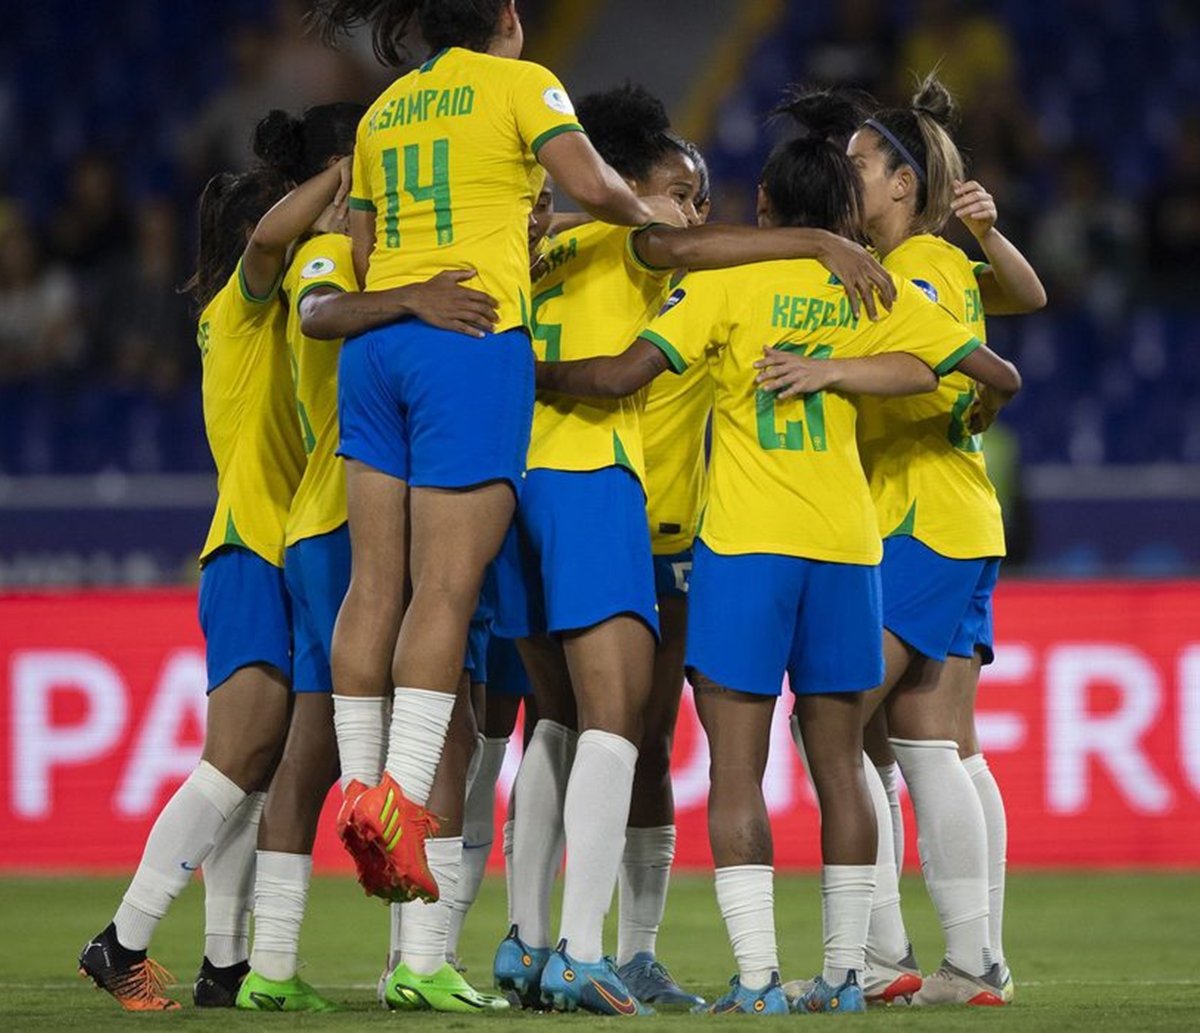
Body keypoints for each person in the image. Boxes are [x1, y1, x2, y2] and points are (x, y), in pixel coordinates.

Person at [532, 87, 1022, 1017]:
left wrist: (522, 365)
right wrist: (863, 374)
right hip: (846, 548)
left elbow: (625, 374)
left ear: (761, 212)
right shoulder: (867, 285)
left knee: (737, 768)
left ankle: (757, 980)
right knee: (848, 763)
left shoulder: (721, 282)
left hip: (744, 547)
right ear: (842, 212)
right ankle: (845, 977)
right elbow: (992, 370)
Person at [491, 82, 895, 1016]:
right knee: (619, 729)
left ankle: (560, 941)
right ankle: (602, 950)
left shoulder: (550, 251)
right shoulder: (665, 261)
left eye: (705, 195)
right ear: (630, 186)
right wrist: (818, 239)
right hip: (636, 514)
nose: (692, 210)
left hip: (567, 502)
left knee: (574, 727)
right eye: (680, 189)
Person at [306, 0, 675, 908]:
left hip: (379, 346)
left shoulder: (383, 109)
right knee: (445, 587)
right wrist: (643, 210)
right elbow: (597, 190)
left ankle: (361, 786)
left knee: (375, 581)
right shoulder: (523, 84)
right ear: (506, 17)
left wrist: (424, 281)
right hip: (467, 339)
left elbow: (361, 251)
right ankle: (398, 802)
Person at [77, 149, 341, 1010]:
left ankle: (226, 964)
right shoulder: (241, 298)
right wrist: (340, 173)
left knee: (256, 772)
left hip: (272, 547)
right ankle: (123, 938)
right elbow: (270, 241)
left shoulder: (256, 316)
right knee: (234, 762)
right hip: (251, 548)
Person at [822, 74, 1044, 1007]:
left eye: (861, 166)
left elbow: (926, 366)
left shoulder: (915, 267)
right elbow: (1026, 298)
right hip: (954, 513)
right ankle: (974, 959)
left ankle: (883, 953)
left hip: (919, 515)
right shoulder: (944, 262)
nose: (849, 179)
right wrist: (987, 236)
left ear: (904, 186)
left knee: (839, 718)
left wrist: (820, 370)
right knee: (938, 740)